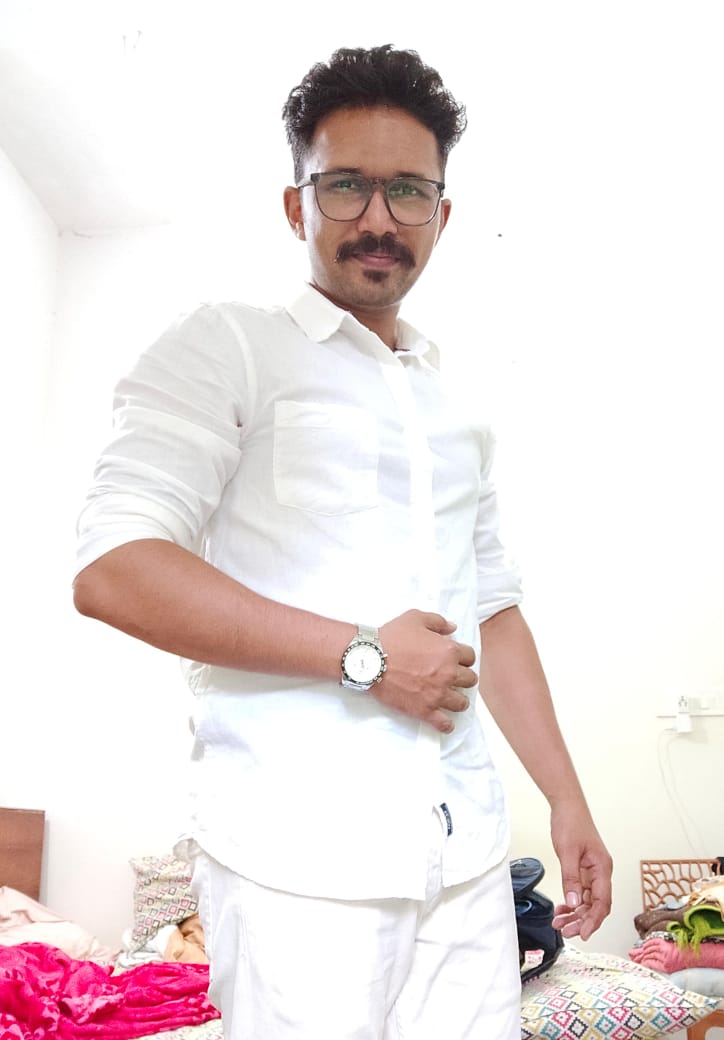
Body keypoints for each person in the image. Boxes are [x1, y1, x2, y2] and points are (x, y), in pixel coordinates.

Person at [73, 43, 612, 1040]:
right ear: (298, 206)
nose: (378, 216)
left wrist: (568, 800)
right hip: (294, 862)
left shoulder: (456, 412)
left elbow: (494, 609)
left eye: (407, 190)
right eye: (346, 184)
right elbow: (115, 568)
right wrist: (364, 654)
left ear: (440, 215)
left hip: (464, 858)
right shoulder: (226, 345)